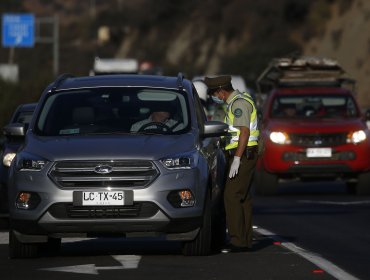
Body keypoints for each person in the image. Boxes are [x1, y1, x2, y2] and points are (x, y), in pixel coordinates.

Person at [204, 75, 259, 253]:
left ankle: (237, 240)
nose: (214, 96)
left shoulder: (238, 104)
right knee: (242, 197)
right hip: (243, 154)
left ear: (221, 90)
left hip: (243, 155)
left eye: (214, 93)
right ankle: (244, 240)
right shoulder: (237, 101)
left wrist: (236, 158)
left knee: (231, 196)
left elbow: (244, 132)